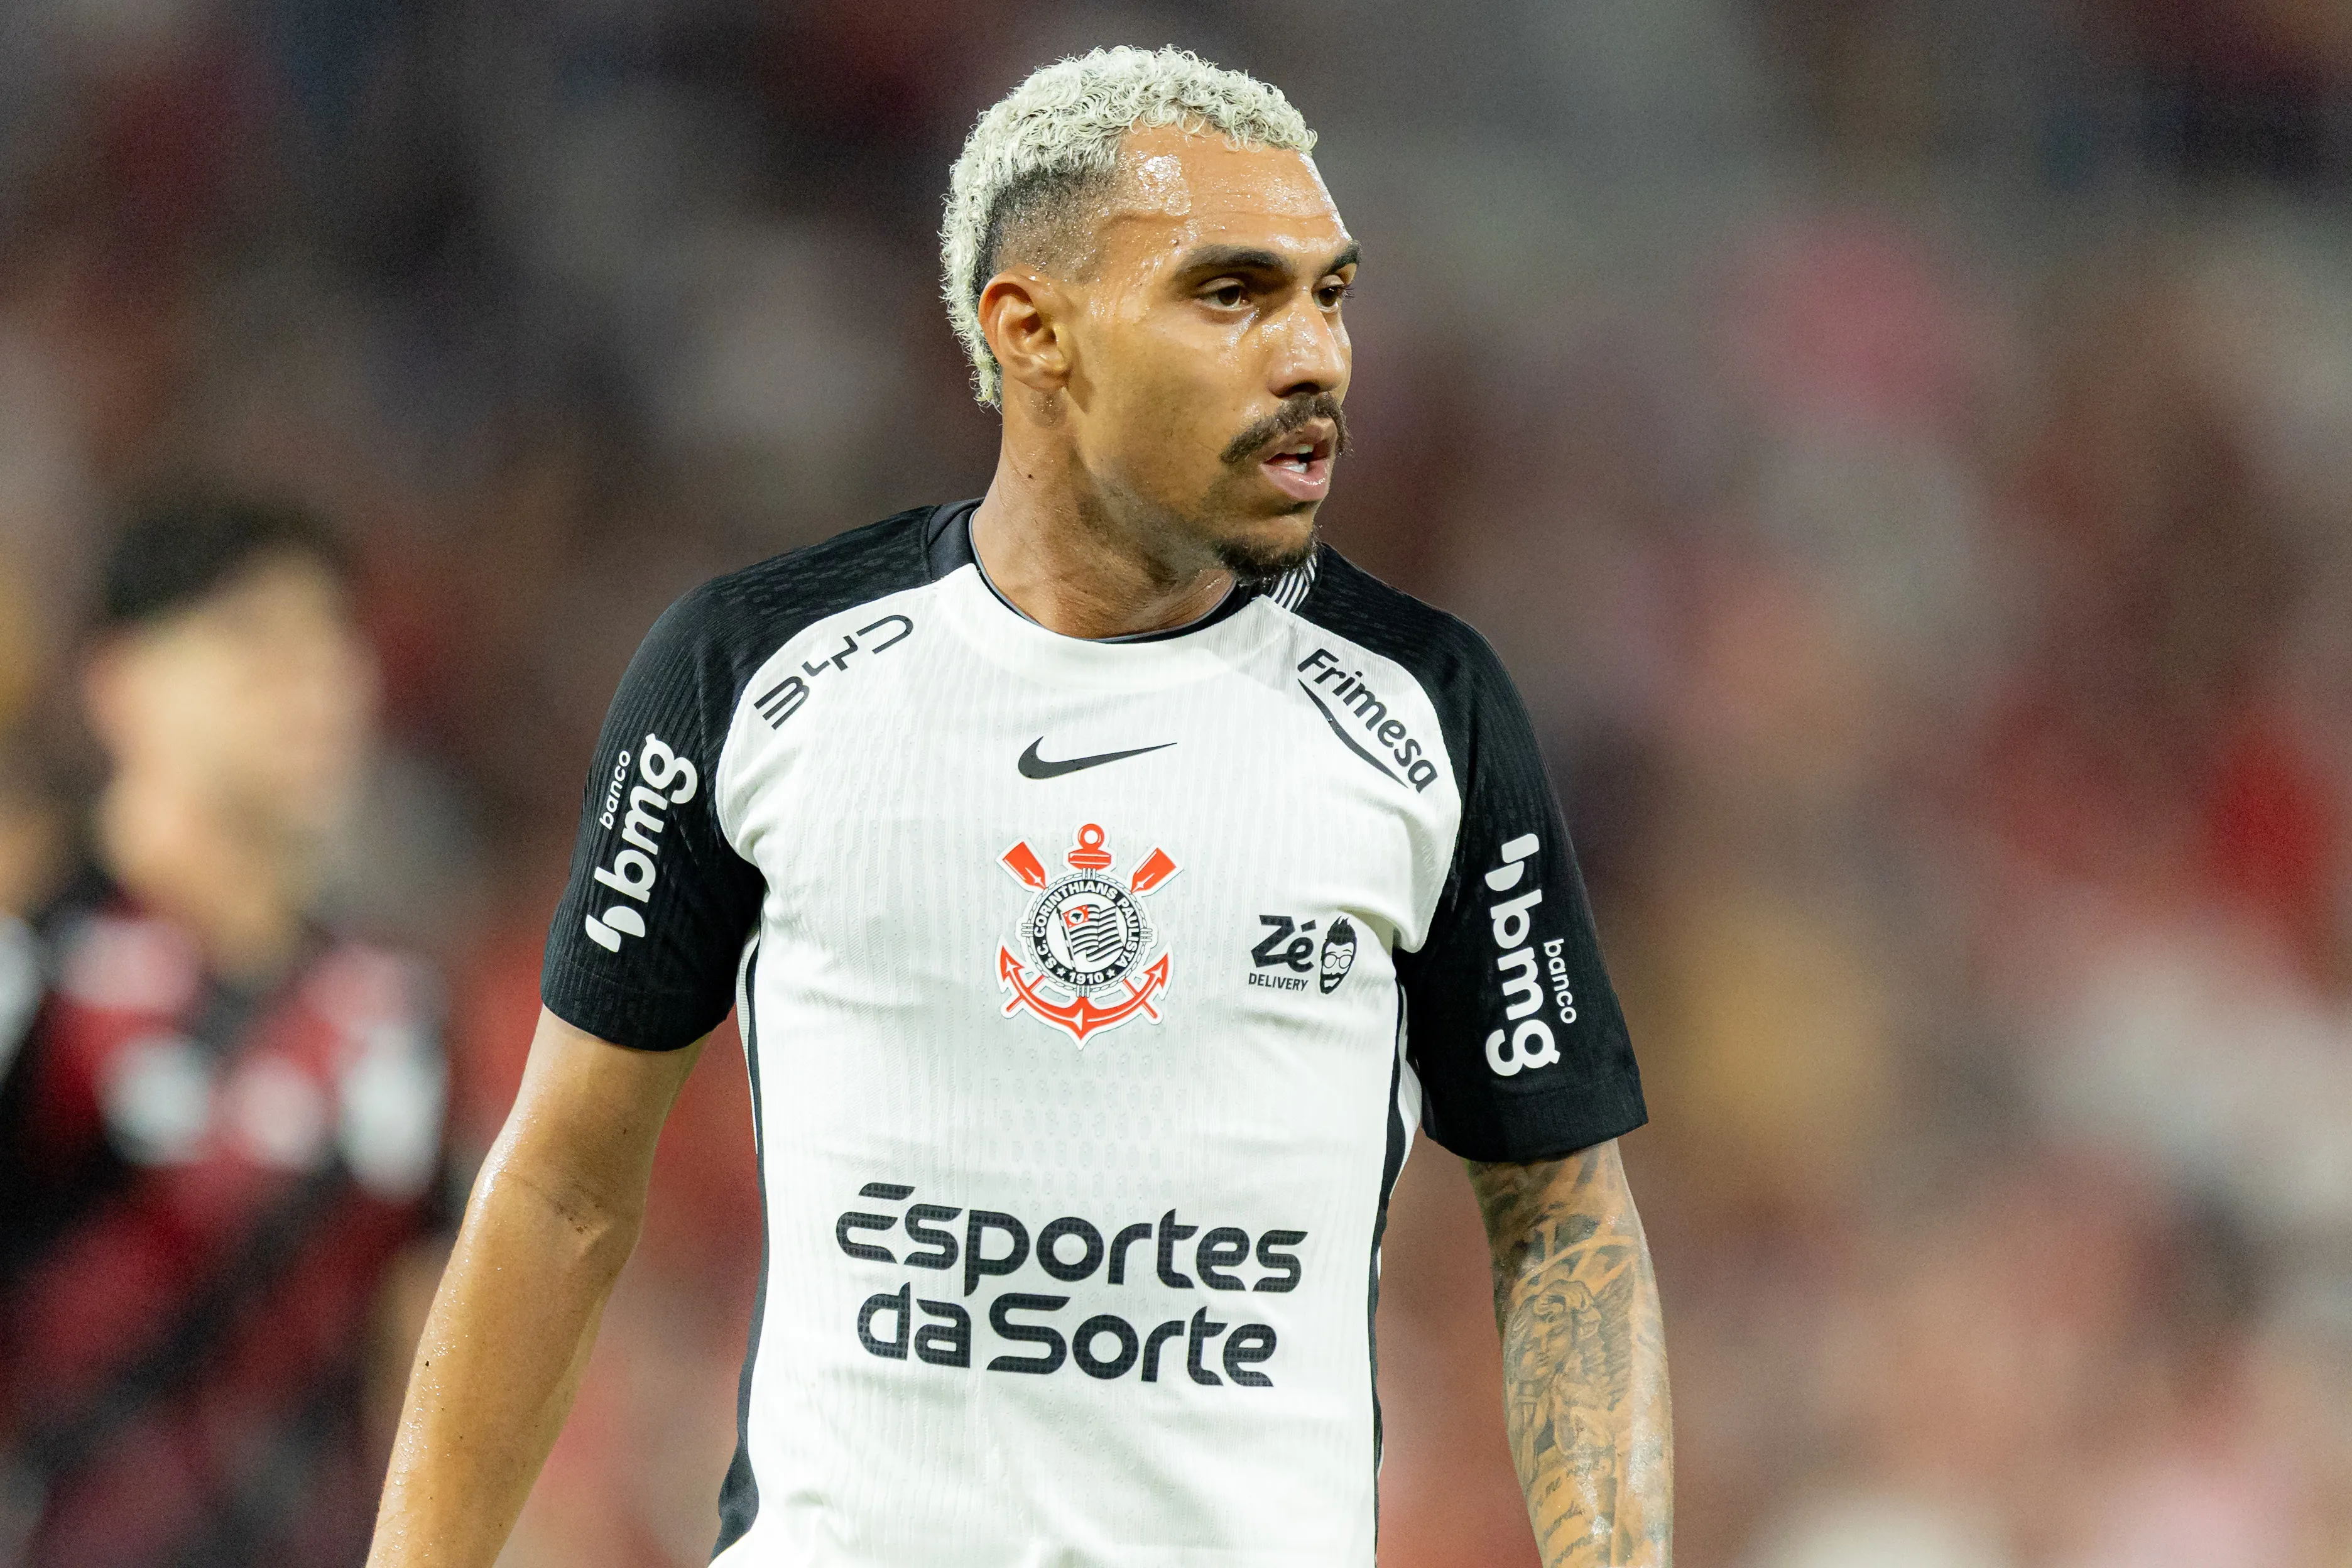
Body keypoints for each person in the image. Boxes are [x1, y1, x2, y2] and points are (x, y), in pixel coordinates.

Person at [371, 46, 1669, 1568]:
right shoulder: (753, 674)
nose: (1318, 355)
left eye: (1332, 294)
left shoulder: (1427, 711)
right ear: (1031, 329)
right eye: (1232, 293)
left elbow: (1562, 1220)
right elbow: (567, 1185)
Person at [0, 499, 448, 1567]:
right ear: (120, 684)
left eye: (332, 641)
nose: (312, 684)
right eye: (252, 638)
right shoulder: (35, 982)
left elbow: (428, 1347)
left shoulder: (390, 1014)